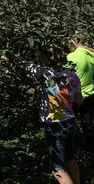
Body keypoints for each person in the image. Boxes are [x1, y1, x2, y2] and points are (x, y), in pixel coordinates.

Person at [1, 54, 82, 184]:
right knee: (70, 159)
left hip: (55, 125)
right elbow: (79, 100)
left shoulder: (45, 75)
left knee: (58, 169)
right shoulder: (72, 75)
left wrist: (7, 57)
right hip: (69, 121)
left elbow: (24, 65)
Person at [67, 33, 94, 152]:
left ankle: (71, 152)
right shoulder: (92, 55)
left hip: (75, 96)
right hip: (90, 94)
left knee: (70, 126)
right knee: (87, 124)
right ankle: (91, 150)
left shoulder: (71, 57)